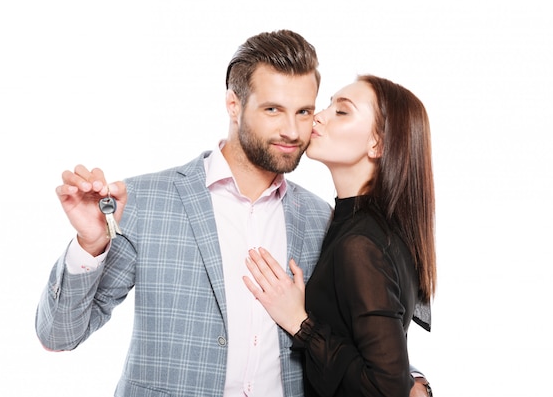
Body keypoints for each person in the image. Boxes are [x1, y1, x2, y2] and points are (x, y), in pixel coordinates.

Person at [36, 29, 430, 397]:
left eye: (305, 111)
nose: (293, 131)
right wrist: (89, 246)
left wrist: (410, 380)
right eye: (274, 109)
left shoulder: (319, 218)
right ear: (233, 104)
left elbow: (363, 335)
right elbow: (59, 335)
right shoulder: (147, 200)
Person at [243, 75, 436, 396]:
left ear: (377, 143)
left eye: (342, 111)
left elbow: (386, 387)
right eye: (329, 104)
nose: (318, 116)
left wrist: (299, 322)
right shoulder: (357, 225)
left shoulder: (361, 244)